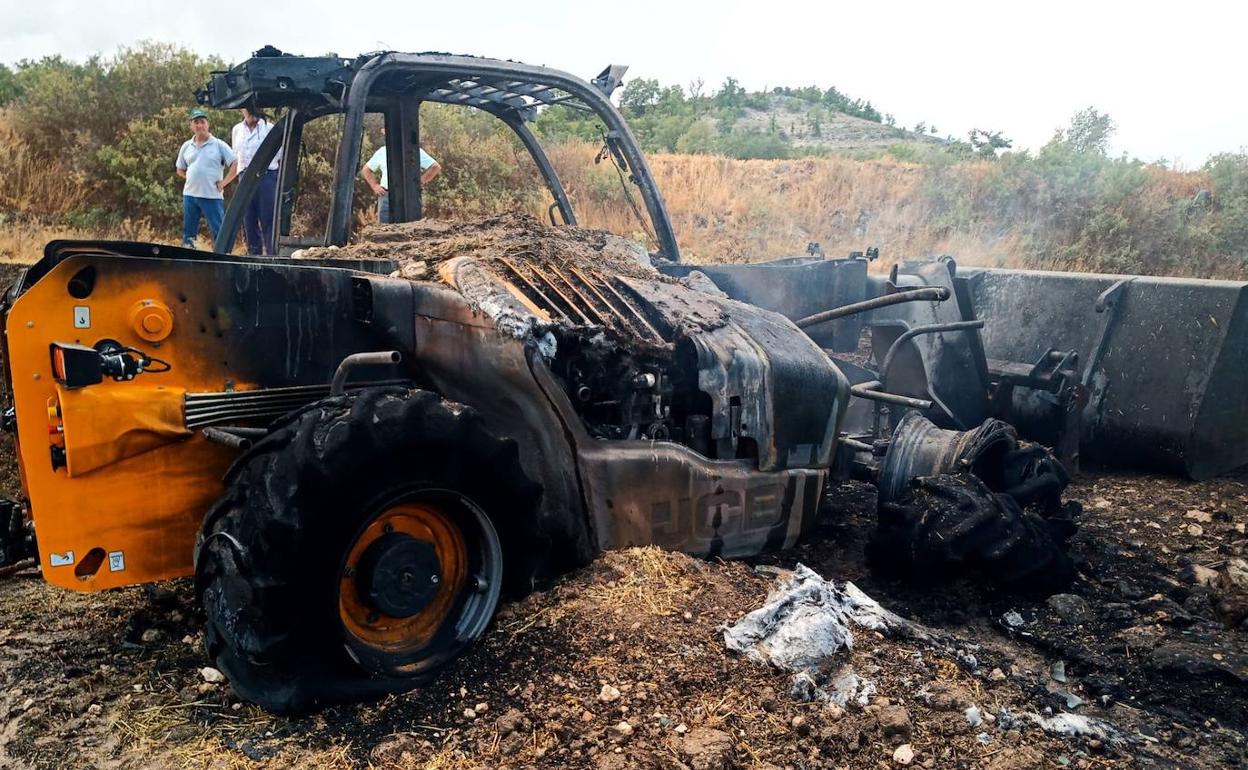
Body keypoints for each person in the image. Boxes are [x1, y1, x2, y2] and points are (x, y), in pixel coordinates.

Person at [222, 106, 281, 255]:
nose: (250, 111)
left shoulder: (269, 127)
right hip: (245, 177)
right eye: (246, 108)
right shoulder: (237, 130)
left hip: (266, 177)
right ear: (242, 110)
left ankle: (272, 256)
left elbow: (279, 154)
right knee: (248, 219)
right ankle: (254, 256)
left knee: (268, 218)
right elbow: (237, 154)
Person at [176, 109, 236, 248]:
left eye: (202, 122)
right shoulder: (186, 146)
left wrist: (224, 182)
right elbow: (180, 169)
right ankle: (188, 260)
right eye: (196, 122)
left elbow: (235, 163)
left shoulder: (218, 145)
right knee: (188, 234)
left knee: (219, 231)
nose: (199, 125)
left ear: (208, 124)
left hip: (212, 196)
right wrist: (191, 177)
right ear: (191, 125)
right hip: (190, 196)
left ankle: (222, 259)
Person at [360, 144, 441, 223]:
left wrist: (420, 181)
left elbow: (435, 167)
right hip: (386, 195)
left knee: (411, 227)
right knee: (385, 229)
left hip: (409, 195)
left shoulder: (414, 151)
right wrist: (375, 186)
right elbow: (366, 170)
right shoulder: (383, 151)